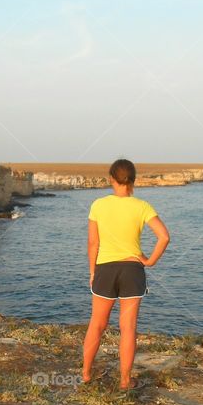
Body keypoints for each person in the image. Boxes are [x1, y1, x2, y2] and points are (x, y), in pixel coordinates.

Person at [83, 159, 170, 390]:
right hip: (132, 270)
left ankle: (85, 375)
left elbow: (93, 243)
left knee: (97, 324)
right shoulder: (142, 206)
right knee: (128, 327)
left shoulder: (98, 205)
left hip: (105, 269)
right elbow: (164, 236)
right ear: (133, 180)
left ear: (111, 178)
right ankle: (124, 381)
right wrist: (149, 261)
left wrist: (93, 271)